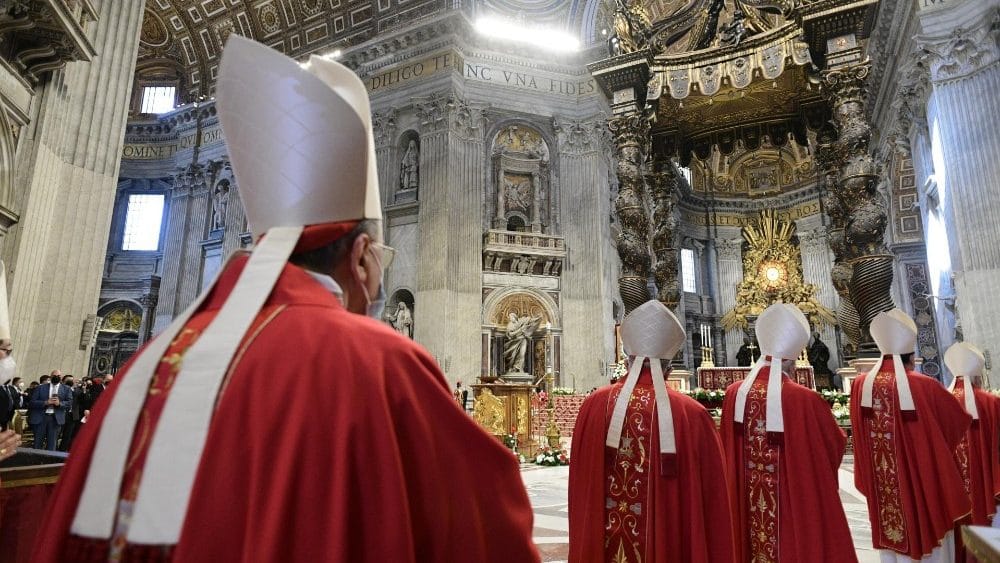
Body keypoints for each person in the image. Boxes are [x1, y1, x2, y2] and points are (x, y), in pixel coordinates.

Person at [33, 36, 537, 562]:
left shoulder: (147, 370)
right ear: (362, 256)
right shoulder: (379, 362)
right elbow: (485, 524)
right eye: (381, 263)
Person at [569, 299, 735, 562]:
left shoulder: (593, 405)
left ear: (627, 358)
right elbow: (711, 502)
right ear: (669, 366)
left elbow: (580, 485)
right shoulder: (691, 414)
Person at [721, 303, 856, 562]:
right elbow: (834, 444)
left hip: (745, 503)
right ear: (793, 362)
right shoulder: (804, 399)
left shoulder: (734, 394)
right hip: (794, 503)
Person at [851, 309, 971, 562]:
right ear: (912, 356)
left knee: (892, 538)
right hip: (923, 477)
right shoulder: (925, 385)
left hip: (883, 483)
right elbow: (956, 425)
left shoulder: (861, 386)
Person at [944, 342, 1000, 530]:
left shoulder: (943, 399)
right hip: (986, 485)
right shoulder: (990, 401)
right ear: (978, 376)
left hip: (952, 488)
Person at [29, 371, 72, 450]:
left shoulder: (66, 389)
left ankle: (49, 462)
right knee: (37, 443)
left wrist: (60, 403)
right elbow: (32, 402)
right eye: (54, 375)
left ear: (61, 377)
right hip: (41, 418)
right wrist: (45, 402)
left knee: (52, 444)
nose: (56, 377)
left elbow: (69, 403)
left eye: (58, 375)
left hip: (55, 419)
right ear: (50, 377)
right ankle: (35, 461)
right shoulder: (40, 387)